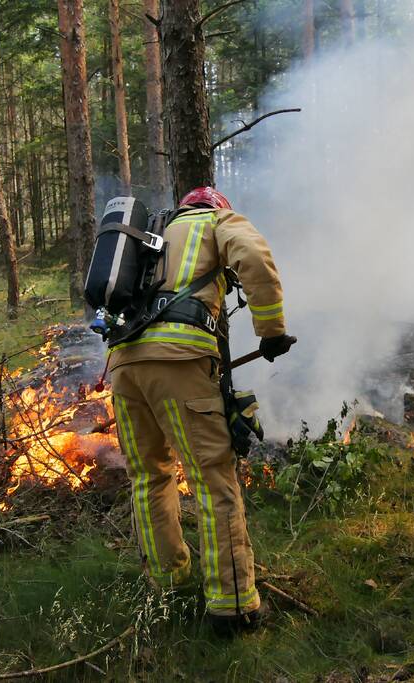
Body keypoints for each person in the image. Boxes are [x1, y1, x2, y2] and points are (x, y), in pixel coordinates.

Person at [108, 186, 295, 635]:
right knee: (214, 481)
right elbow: (253, 254)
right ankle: (233, 606)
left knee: (149, 476)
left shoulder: (147, 235)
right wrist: (270, 330)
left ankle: (166, 582)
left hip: (124, 366)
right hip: (179, 362)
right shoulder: (216, 221)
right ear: (216, 206)